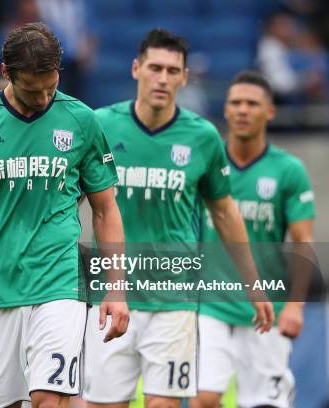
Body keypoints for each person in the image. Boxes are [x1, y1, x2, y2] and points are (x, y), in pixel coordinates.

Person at [0, 22, 129, 408]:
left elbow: (106, 209)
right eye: (31, 88)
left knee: (47, 397)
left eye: (51, 86)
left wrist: (116, 287)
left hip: (59, 283)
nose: (43, 98)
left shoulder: (81, 121)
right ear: (6, 73)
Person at [82, 29, 274, 408]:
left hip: (175, 300)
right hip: (111, 295)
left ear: (185, 77)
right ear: (136, 69)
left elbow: (224, 212)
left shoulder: (202, 136)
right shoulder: (100, 125)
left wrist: (253, 282)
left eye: (173, 70)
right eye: (155, 68)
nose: (163, 78)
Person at [191, 71, 315, 408]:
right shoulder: (205, 166)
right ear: (226, 111)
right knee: (203, 398)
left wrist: (295, 305)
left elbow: (303, 241)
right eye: (236, 103)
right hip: (210, 306)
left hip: (268, 309)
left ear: (270, 112)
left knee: (263, 403)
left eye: (252, 103)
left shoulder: (288, 170)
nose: (243, 110)